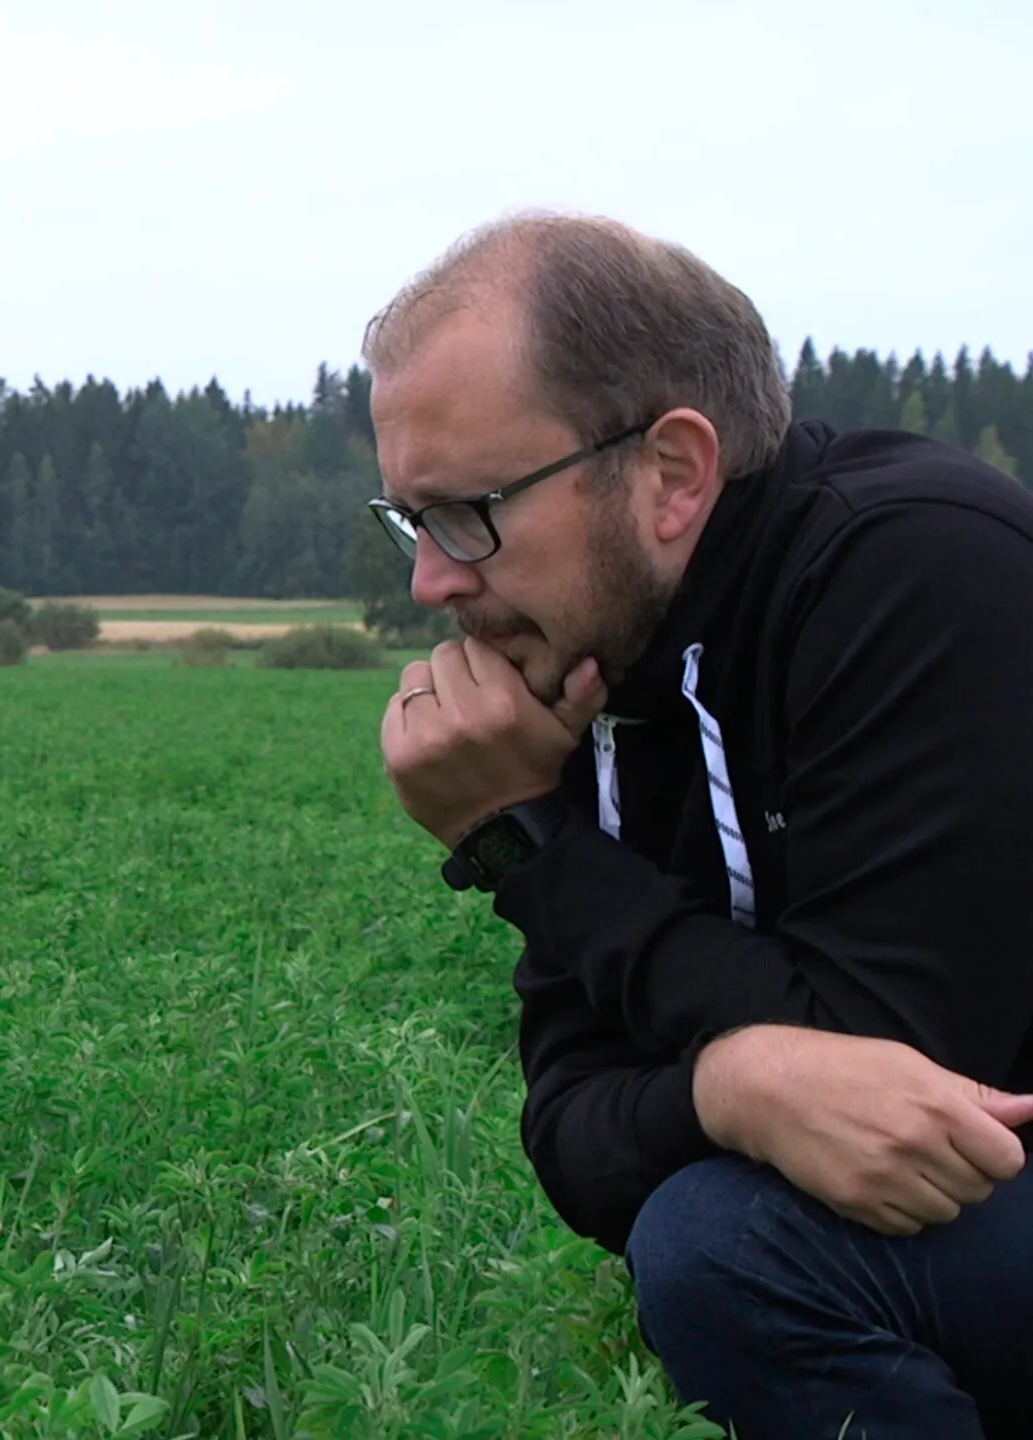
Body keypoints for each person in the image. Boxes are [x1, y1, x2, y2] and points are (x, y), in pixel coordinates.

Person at [364, 212, 1033, 1436]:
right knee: (712, 1236)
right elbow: (572, 1140)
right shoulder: (586, 667)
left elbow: (893, 1096)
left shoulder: (917, 572)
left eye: (469, 512)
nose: (431, 581)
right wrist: (726, 1091)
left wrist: (527, 839)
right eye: (410, 520)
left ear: (672, 473)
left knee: (732, 1249)